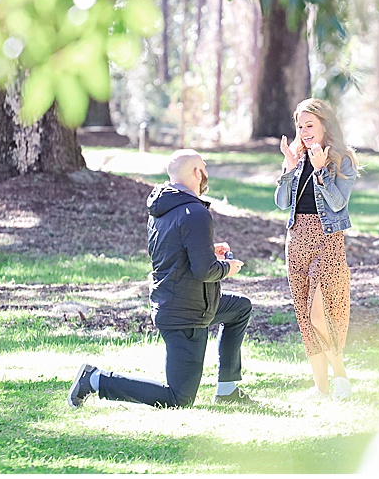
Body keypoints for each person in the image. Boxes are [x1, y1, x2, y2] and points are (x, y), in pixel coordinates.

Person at [68, 149, 256, 408]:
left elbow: (175, 253)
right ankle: (95, 380)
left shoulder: (164, 208)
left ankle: (227, 390)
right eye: (204, 167)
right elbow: (204, 272)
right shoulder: (196, 212)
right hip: (186, 314)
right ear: (195, 172)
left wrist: (208, 251)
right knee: (178, 399)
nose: (206, 174)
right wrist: (227, 267)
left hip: (178, 301)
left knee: (239, 308)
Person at [275, 98, 359, 400]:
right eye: (300, 126)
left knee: (321, 313)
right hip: (297, 240)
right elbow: (282, 203)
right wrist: (289, 167)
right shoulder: (296, 157)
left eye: (309, 125)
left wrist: (321, 170)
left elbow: (338, 202)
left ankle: (341, 378)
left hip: (327, 240)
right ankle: (321, 389)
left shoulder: (341, 159)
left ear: (325, 125)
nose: (304, 131)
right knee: (304, 314)